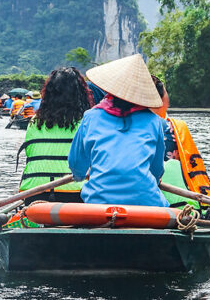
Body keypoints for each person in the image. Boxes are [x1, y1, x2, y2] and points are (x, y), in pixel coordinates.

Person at [68, 54, 170, 207]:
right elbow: (156, 170)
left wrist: (80, 176)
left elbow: (77, 165)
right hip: (146, 202)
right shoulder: (155, 121)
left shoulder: (91, 117)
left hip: (98, 201)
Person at [18, 67, 93, 204]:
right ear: (81, 94)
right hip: (75, 194)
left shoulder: (34, 122)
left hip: (33, 194)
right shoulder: (87, 122)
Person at [150, 76, 210, 209]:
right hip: (166, 199)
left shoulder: (116, 124)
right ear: (160, 100)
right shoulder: (172, 127)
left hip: (122, 197)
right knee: (173, 166)